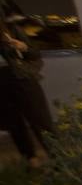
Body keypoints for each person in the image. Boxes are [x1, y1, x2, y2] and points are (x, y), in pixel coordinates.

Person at [0, 18, 53, 168]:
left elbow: (35, 53)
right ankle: (30, 159)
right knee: (14, 124)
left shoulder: (11, 29)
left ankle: (58, 157)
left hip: (22, 78)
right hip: (1, 83)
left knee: (40, 120)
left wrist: (23, 47)